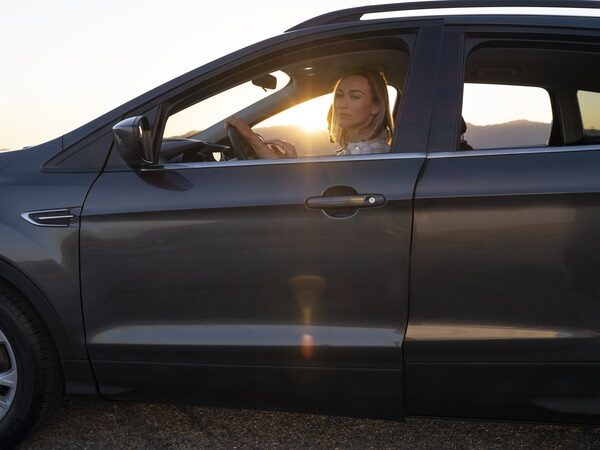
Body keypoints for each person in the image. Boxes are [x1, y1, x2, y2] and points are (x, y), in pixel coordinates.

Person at [225, 68, 394, 158]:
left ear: (376, 107)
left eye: (355, 97)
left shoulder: (370, 155)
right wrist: (291, 163)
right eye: (339, 96)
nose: (342, 104)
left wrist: (250, 138)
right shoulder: (355, 150)